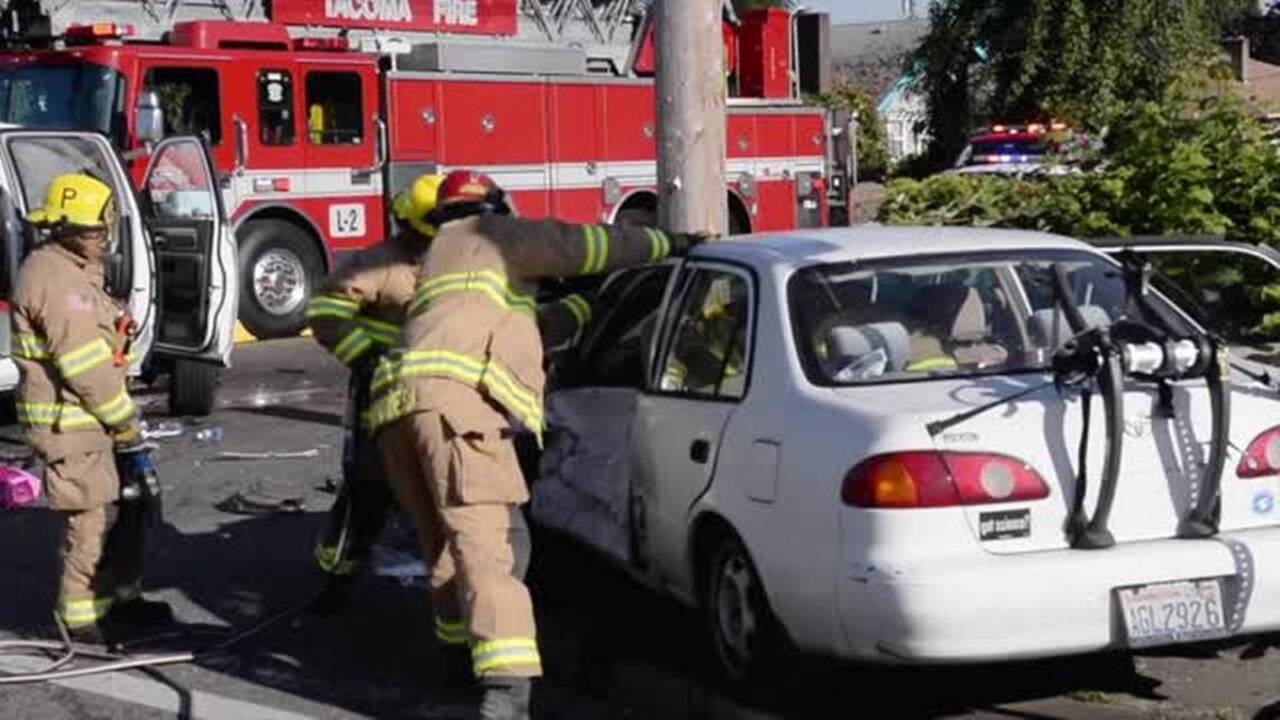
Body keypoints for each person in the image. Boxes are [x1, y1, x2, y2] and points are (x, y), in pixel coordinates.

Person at [363, 170, 702, 719]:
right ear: (491, 206)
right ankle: (506, 696)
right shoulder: (493, 236)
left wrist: (587, 311)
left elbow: (527, 326)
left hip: (396, 413)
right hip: (456, 414)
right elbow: (580, 245)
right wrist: (670, 242)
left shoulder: (446, 262)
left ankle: (457, 658)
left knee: (449, 546)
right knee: (491, 550)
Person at [12, 174, 169, 643]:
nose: (103, 240)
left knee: (122, 514)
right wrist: (125, 422)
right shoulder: (57, 281)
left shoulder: (72, 271)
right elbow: (86, 367)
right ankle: (80, 619)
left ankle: (120, 599)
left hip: (89, 422)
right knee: (90, 521)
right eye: (95, 232)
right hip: (73, 424)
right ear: (67, 231)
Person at [305, 174, 444, 608]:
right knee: (369, 487)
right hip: (382, 389)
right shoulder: (380, 264)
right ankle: (336, 576)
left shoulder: (461, 261)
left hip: (444, 393)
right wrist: (366, 359)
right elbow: (326, 311)